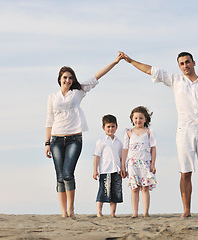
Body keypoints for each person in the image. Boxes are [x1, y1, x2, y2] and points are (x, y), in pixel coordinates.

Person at [120, 51, 198, 218]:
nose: (185, 66)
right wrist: (131, 61)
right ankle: (186, 210)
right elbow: (151, 70)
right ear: (179, 66)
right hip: (184, 131)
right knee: (185, 172)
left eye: (187, 62)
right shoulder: (175, 80)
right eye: (182, 63)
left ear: (194, 63)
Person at [45, 52, 123, 218]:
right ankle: (63, 212)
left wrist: (115, 62)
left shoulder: (78, 91)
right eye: (65, 77)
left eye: (70, 78)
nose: (67, 80)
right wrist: (47, 143)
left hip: (74, 138)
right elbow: (49, 120)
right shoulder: (52, 97)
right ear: (59, 79)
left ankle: (71, 209)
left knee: (67, 173)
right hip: (56, 139)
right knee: (59, 176)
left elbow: (96, 77)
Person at [121, 106, 157, 218]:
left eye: (140, 118)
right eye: (135, 118)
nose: (138, 120)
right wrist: (123, 166)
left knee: (145, 188)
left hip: (145, 162)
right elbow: (125, 149)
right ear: (132, 119)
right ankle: (135, 213)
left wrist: (153, 164)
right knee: (135, 188)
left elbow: (153, 148)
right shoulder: (128, 132)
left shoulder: (149, 132)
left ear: (145, 119)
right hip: (132, 163)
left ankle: (145, 212)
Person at [93, 114, 123, 218]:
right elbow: (97, 156)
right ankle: (99, 212)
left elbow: (121, 157)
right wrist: (95, 170)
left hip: (116, 170)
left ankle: (112, 213)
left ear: (116, 127)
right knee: (102, 191)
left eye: (113, 126)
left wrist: (123, 169)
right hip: (105, 170)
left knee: (115, 193)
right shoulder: (101, 142)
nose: (110, 129)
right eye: (108, 126)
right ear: (103, 127)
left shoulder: (119, 142)